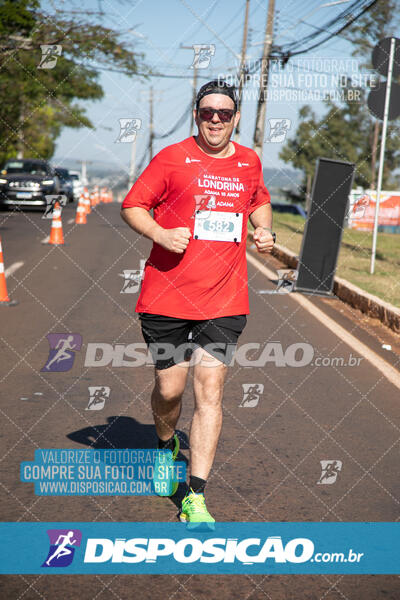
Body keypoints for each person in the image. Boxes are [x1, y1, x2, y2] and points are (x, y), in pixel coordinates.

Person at [121, 79, 275, 525]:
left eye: (224, 113)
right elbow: (133, 206)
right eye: (207, 112)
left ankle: (196, 495)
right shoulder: (172, 158)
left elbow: (258, 201)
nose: (215, 120)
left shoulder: (249, 162)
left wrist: (264, 230)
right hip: (167, 294)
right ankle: (165, 444)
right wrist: (159, 233)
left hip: (224, 298)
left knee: (210, 391)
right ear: (196, 114)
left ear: (236, 118)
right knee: (170, 390)